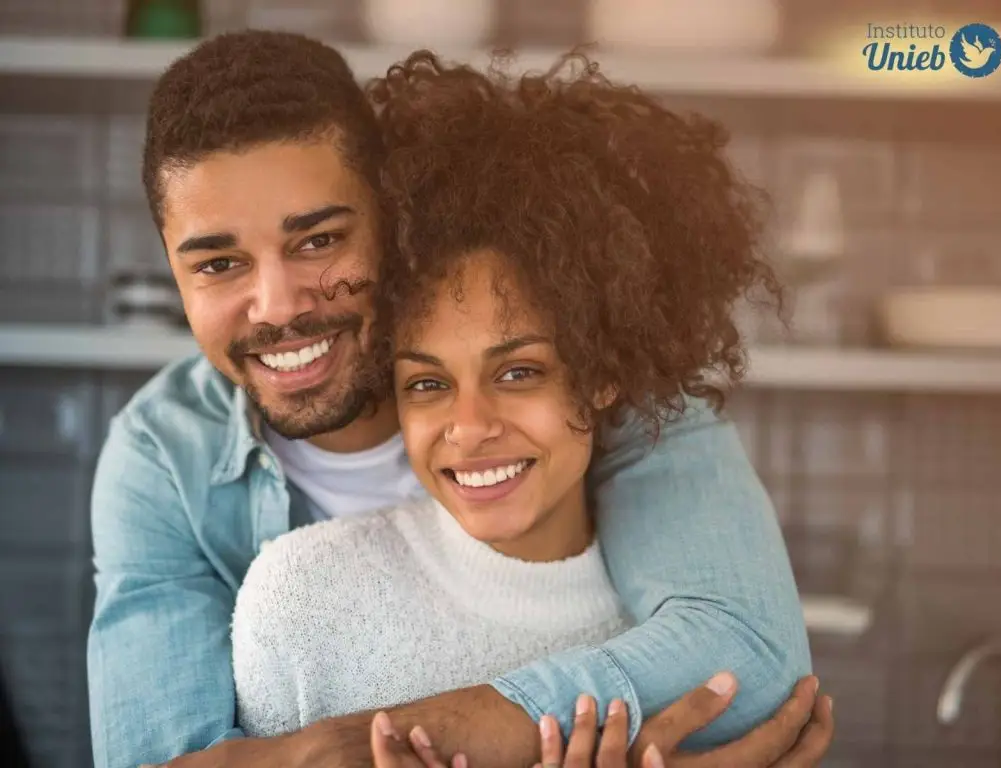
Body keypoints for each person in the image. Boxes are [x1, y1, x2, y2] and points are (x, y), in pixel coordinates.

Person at [87, 30, 820, 768]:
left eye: (318, 242)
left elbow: (748, 658)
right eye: (219, 263)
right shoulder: (164, 458)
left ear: (389, 216)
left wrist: (361, 745)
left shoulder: (599, 371)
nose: (277, 307)